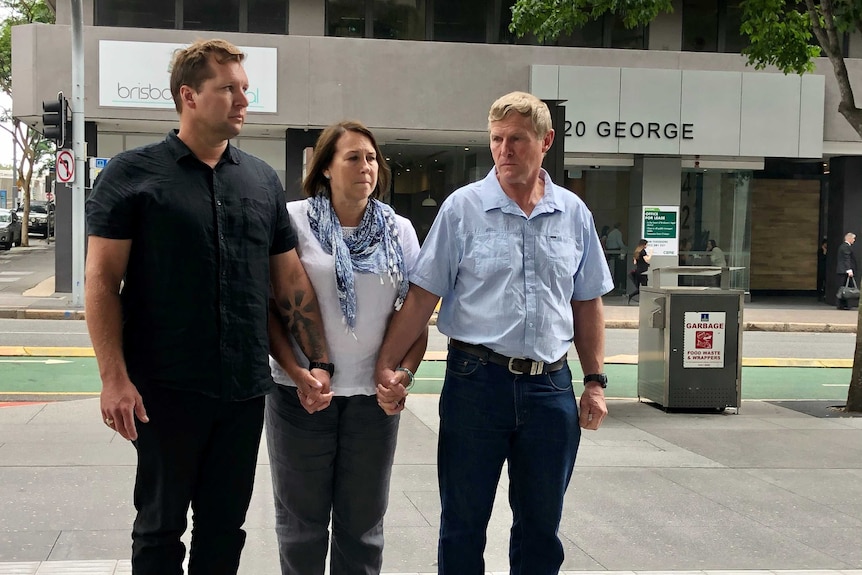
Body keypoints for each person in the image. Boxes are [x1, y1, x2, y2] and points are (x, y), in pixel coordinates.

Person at [85, 39, 331, 575]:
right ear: (188, 95)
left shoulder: (262, 180)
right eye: (229, 89)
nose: (244, 99)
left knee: (225, 529)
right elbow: (101, 282)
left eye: (245, 89)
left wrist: (316, 361)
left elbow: (287, 282)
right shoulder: (131, 175)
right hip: (164, 390)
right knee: (159, 529)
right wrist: (113, 379)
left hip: (243, 390)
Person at [374, 91, 614, 575]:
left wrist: (594, 381)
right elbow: (422, 296)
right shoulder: (463, 209)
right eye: (497, 140)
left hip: (551, 389)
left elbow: (587, 301)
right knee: (463, 524)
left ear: (546, 141)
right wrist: (387, 364)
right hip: (475, 383)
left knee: (541, 528)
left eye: (517, 140)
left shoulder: (574, 215)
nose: (505, 150)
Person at [265, 121, 427, 575]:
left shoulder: (399, 230)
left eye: (372, 157)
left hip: (373, 405)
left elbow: (415, 319)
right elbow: (269, 310)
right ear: (326, 169)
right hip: (300, 398)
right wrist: (298, 374)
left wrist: (404, 376)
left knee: (363, 528)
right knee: (301, 527)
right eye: (353, 157)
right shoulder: (292, 221)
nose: (366, 166)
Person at [836, 232, 858, 310]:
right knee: (844, 289)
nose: (854, 240)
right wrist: (849, 269)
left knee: (844, 288)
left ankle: (843, 305)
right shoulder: (846, 247)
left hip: (842, 270)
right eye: (853, 238)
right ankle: (841, 305)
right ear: (849, 238)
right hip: (844, 271)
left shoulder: (843, 246)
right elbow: (847, 259)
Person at [605, 221, 627, 293]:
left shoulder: (611, 233)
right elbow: (620, 243)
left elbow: (607, 244)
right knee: (618, 269)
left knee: (611, 269)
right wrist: (626, 248)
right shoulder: (618, 233)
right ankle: (617, 284)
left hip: (610, 252)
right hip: (616, 252)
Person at [628, 239, 651, 304]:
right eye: (646, 244)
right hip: (643, 271)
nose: (647, 246)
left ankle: (631, 296)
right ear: (643, 245)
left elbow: (635, 262)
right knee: (645, 287)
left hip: (638, 271)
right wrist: (651, 253)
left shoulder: (637, 251)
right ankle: (645, 301)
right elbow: (647, 260)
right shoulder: (643, 251)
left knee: (640, 288)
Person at [817, 237, 828, 301]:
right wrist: (824, 252)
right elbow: (821, 258)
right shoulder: (820, 251)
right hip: (821, 268)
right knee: (820, 282)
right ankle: (819, 295)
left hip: (826, 269)